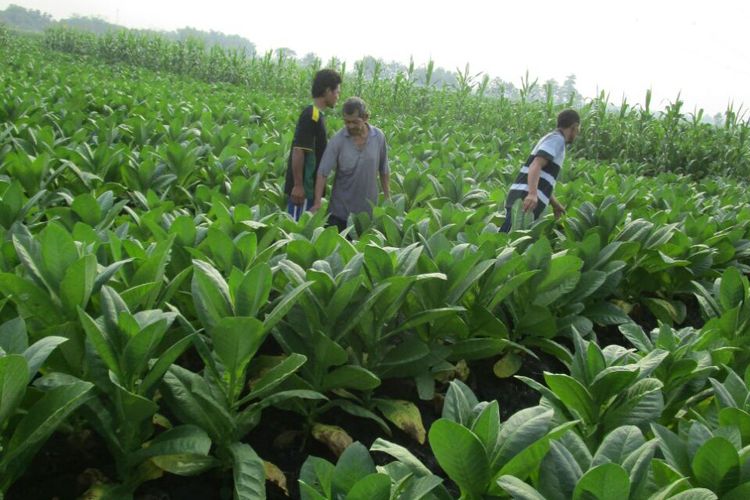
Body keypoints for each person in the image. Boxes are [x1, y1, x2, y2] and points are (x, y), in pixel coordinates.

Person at [310, 97, 390, 231]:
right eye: (347, 122)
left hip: (367, 214)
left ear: (365, 117)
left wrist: (388, 197)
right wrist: (317, 202)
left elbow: (384, 169)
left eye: (354, 122)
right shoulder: (338, 140)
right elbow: (323, 172)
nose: (350, 126)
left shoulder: (378, 137)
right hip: (339, 213)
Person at [499, 109, 580, 232]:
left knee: (511, 241)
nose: (578, 132)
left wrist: (555, 204)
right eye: (578, 128)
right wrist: (532, 194)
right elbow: (536, 164)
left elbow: (543, 179)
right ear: (574, 126)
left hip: (525, 199)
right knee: (506, 241)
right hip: (525, 200)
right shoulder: (557, 140)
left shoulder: (554, 139)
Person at [284, 69, 342, 220]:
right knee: (296, 234)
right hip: (303, 192)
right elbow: (299, 150)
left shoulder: (318, 116)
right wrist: (298, 185)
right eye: (337, 92)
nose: (338, 97)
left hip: (310, 191)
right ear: (328, 91)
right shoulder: (311, 115)